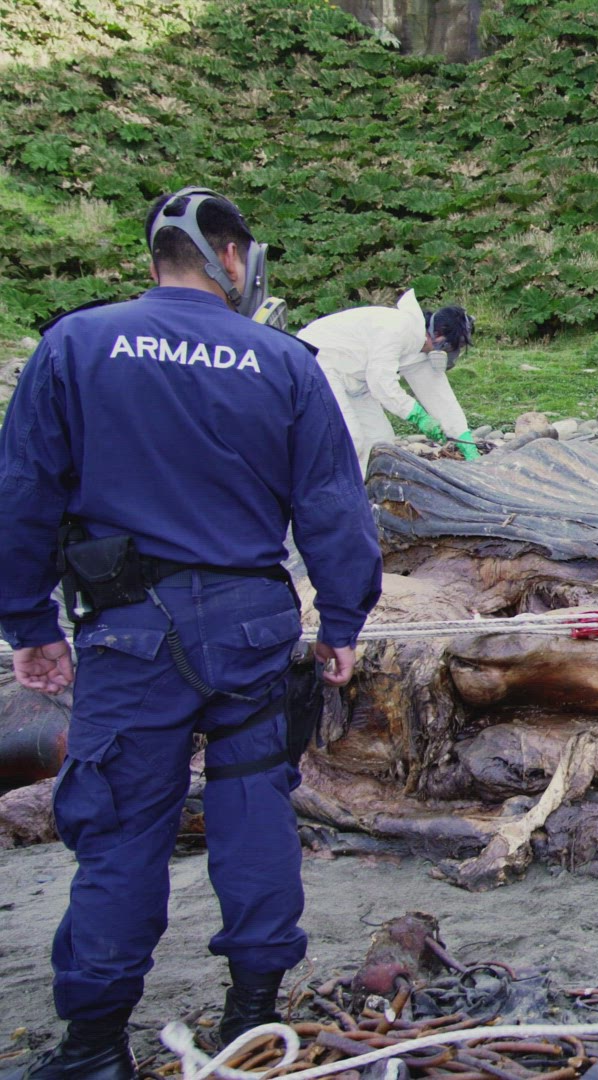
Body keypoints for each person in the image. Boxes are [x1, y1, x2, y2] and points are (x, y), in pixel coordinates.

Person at [0, 187, 383, 1080]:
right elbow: (333, 504)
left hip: (131, 633)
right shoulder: (284, 361)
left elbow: (24, 496)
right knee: (254, 810)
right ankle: (251, 1016)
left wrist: (27, 621)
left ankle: (95, 1047)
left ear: (153, 261)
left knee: (122, 827)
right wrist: (343, 620)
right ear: (235, 259)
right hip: (251, 626)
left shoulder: (77, 345)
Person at [297, 289, 478, 473]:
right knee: (351, 439)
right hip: (319, 363)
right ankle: (327, 497)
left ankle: (362, 495)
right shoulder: (398, 328)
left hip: (354, 380)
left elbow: (439, 396)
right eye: (454, 346)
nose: (450, 353)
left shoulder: (421, 347)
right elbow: (381, 382)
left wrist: (463, 437)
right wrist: (417, 415)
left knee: (380, 442)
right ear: (440, 335)